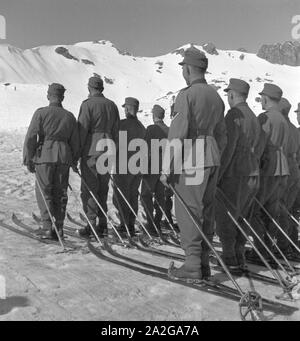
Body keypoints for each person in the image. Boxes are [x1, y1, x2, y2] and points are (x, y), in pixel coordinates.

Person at [161, 47, 227, 280]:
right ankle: (203, 264)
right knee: (206, 212)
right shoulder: (216, 97)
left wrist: (167, 167)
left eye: (183, 69)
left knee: (189, 211)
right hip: (211, 155)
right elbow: (222, 135)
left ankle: (191, 266)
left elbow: (178, 133)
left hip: (191, 157)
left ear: (188, 69)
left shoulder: (186, 95)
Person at [216, 79, 261, 274]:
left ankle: (229, 258)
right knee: (243, 216)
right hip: (252, 172)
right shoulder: (254, 117)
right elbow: (259, 148)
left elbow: (228, 147)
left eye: (228, 94)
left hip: (234, 174)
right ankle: (239, 254)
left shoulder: (234, 115)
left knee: (226, 217)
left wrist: (218, 175)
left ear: (232, 95)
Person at [23, 83, 79, 239]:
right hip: (64, 157)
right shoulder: (69, 116)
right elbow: (75, 141)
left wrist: (28, 158)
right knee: (60, 192)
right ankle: (59, 227)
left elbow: (32, 136)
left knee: (45, 191)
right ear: (62, 97)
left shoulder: (41, 113)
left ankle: (48, 227)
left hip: (45, 156)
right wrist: (73, 160)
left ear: (48, 96)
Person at [247, 84, 290, 262]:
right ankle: (267, 248)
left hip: (268, 167)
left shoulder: (265, 118)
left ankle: (261, 250)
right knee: (271, 210)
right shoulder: (282, 119)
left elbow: (259, 146)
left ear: (265, 98)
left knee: (255, 209)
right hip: (282, 167)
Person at [77, 76, 120, 238]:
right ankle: (103, 223)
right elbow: (116, 130)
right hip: (108, 150)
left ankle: (92, 224)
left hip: (92, 150)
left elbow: (82, 130)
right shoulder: (112, 105)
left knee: (89, 189)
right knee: (103, 188)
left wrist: (76, 153)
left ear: (89, 88)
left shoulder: (88, 105)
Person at [113, 97, 146, 237]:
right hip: (137, 167)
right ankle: (131, 224)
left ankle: (124, 224)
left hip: (123, 165)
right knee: (133, 195)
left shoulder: (121, 124)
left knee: (121, 195)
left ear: (126, 109)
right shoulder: (142, 127)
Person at [140, 104, 169, 236]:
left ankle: (150, 224)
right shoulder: (169, 130)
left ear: (154, 116)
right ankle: (157, 221)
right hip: (164, 169)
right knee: (160, 196)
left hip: (151, 167)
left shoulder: (151, 129)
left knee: (146, 195)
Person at [277, 99, 300, 260]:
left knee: (286, 209)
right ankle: (290, 243)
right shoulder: (295, 130)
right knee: (291, 210)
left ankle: (286, 245)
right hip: (296, 173)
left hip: (290, 172)